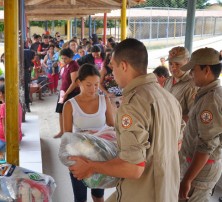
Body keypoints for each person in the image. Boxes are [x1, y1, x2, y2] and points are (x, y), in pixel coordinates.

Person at [68, 38, 184, 202]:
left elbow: (133, 168)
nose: (112, 72)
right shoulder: (169, 98)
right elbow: (177, 144)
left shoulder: (133, 105)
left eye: (113, 67)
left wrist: (91, 167)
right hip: (167, 191)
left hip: (142, 194)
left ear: (123, 66)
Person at [63, 64, 114, 202]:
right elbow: (67, 136)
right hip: (79, 157)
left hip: (100, 156)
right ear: (79, 82)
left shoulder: (104, 100)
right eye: (89, 85)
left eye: (96, 85)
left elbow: (112, 125)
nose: (93, 89)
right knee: (80, 198)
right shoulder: (70, 105)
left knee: (98, 195)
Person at [178, 48, 222, 202]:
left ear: (207, 70)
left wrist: (187, 179)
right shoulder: (206, 94)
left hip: (201, 171)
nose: (190, 74)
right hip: (197, 167)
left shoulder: (210, 100)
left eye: (193, 70)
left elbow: (207, 145)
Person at [164, 46, 197, 122]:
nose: (173, 67)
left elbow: (193, 116)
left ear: (188, 62)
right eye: (170, 63)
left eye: (177, 64)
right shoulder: (168, 81)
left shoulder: (191, 85)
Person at [54, 48, 80, 138]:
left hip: (71, 92)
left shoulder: (74, 65)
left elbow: (75, 82)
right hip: (63, 91)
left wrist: (66, 94)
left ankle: (68, 133)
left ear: (71, 57)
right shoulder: (65, 65)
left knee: (68, 113)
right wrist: (63, 93)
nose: (63, 60)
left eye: (65, 58)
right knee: (60, 111)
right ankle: (62, 131)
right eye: (62, 58)